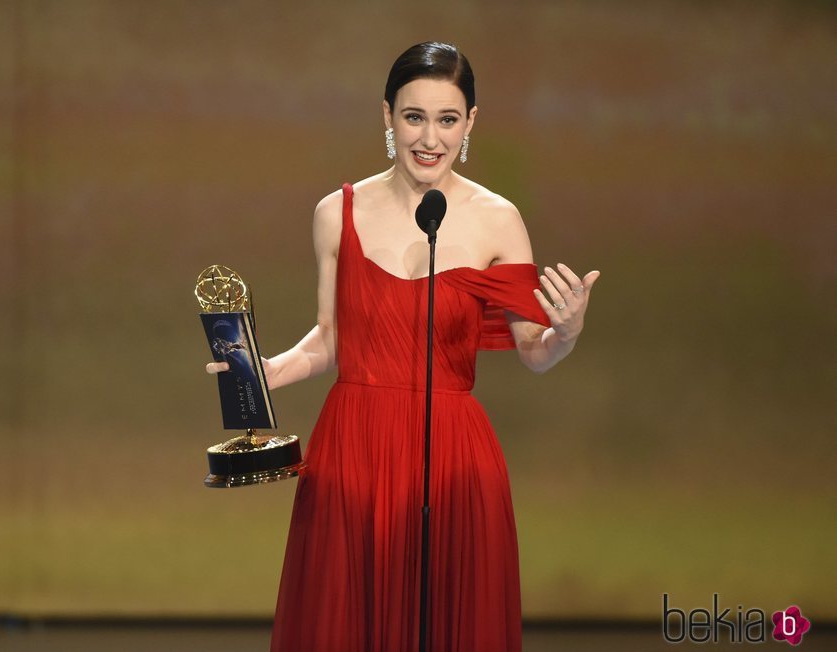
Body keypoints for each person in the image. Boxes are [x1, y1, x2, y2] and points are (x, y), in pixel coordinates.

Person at [206, 41, 599, 652]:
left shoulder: (498, 219)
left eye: (447, 119)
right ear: (386, 116)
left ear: (470, 124)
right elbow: (331, 339)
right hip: (353, 450)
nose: (430, 137)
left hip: (452, 460)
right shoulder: (337, 212)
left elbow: (534, 350)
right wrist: (258, 373)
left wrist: (565, 332)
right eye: (414, 116)